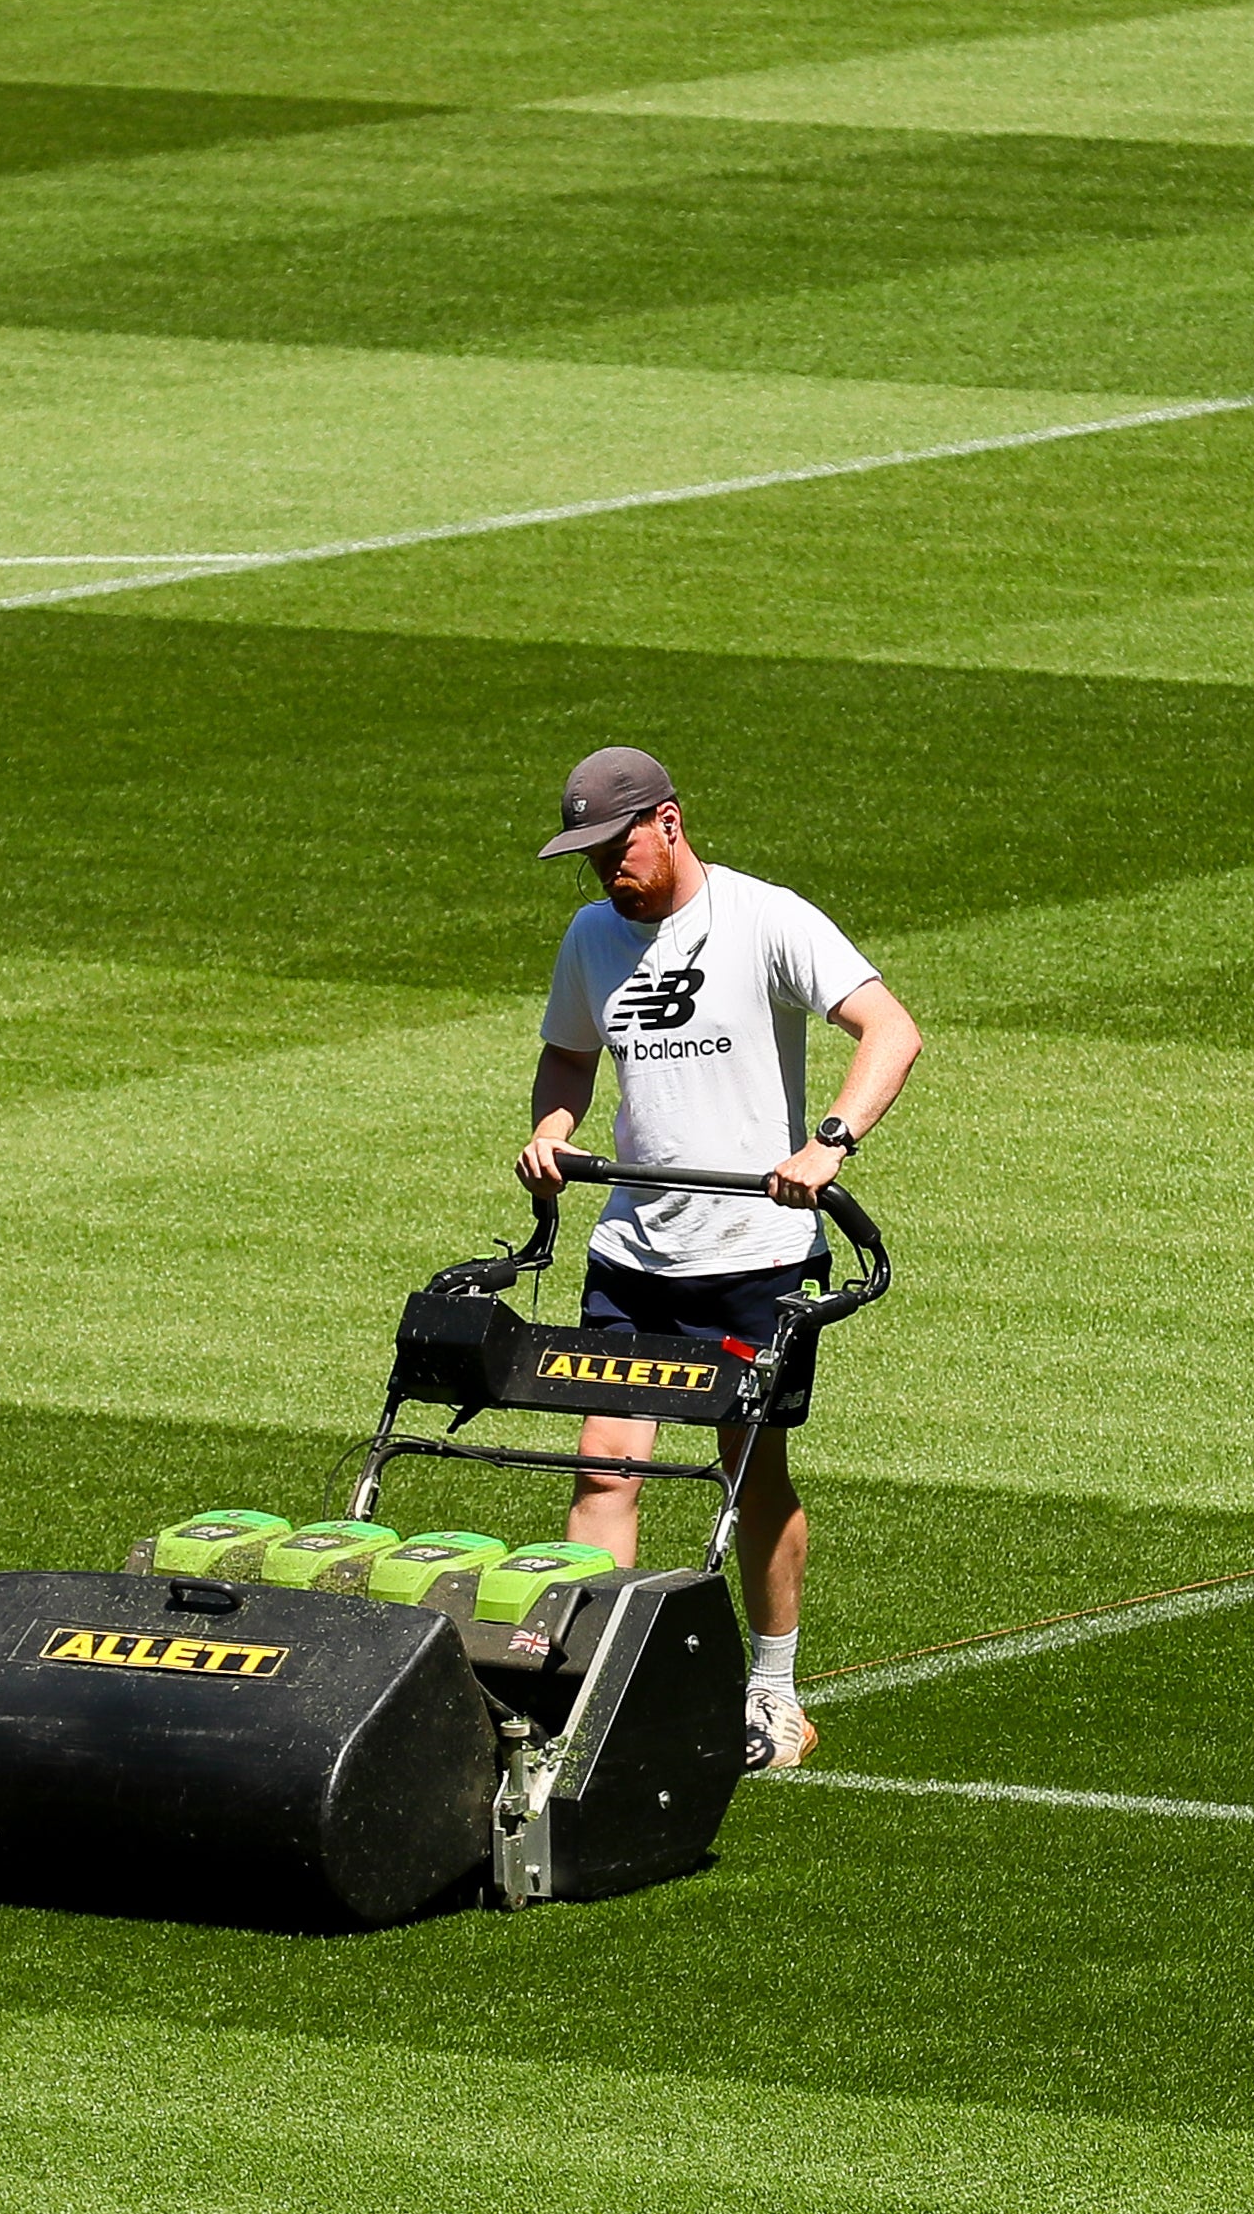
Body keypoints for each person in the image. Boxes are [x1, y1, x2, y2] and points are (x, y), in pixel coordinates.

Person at [515, 747, 921, 1772]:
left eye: (618, 848)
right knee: (604, 1473)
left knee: (749, 1476)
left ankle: (775, 1694)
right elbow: (567, 1051)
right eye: (590, 857)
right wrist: (551, 1130)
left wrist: (827, 1141)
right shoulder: (588, 936)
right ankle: (591, 1696)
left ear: (667, 821)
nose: (607, 871)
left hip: (751, 1257)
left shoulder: (762, 918)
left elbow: (888, 1029)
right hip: (630, 1251)